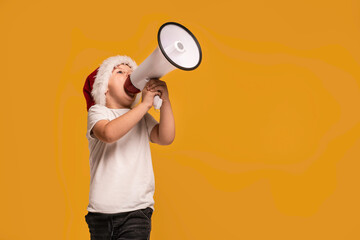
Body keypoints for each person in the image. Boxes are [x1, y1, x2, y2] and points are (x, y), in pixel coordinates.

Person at [82, 55, 175, 239]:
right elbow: (109, 134)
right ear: (104, 89)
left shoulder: (140, 116)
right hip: (100, 214)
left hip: (136, 212)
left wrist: (165, 102)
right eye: (120, 72)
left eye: (132, 73)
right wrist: (145, 105)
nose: (129, 75)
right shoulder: (98, 112)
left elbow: (165, 137)